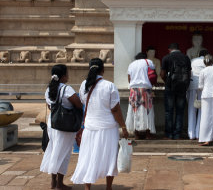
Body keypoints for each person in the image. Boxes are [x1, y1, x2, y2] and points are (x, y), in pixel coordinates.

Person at [71, 58, 129, 190]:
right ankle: (108, 187)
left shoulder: (84, 85)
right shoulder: (109, 86)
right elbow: (115, 109)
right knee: (109, 158)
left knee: (88, 157)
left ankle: (87, 187)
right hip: (108, 128)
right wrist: (124, 127)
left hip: (90, 127)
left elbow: (82, 102)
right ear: (103, 70)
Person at [40, 64, 82, 190]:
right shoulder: (66, 89)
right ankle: (59, 184)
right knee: (63, 153)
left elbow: (49, 105)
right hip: (65, 125)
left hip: (53, 123)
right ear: (63, 76)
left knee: (54, 150)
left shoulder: (49, 89)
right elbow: (78, 104)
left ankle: (53, 182)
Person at [161, 43, 191, 139]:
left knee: (169, 111)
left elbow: (162, 74)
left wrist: (167, 82)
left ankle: (169, 134)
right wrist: (185, 85)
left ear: (169, 49)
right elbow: (189, 73)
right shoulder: (186, 58)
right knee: (180, 111)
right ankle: (177, 134)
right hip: (182, 88)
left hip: (170, 87)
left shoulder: (166, 58)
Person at [126, 52, 156, 139]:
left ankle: (136, 133)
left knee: (134, 111)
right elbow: (153, 75)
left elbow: (129, 78)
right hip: (145, 89)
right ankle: (147, 133)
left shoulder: (131, 64)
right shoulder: (148, 62)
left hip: (134, 90)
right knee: (147, 111)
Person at [187, 49, 208, 140]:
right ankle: (199, 133)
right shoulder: (207, 62)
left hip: (192, 86)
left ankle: (191, 134)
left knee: (191, 109)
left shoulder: (193, 61)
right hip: (203, 87)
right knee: (202, 110)